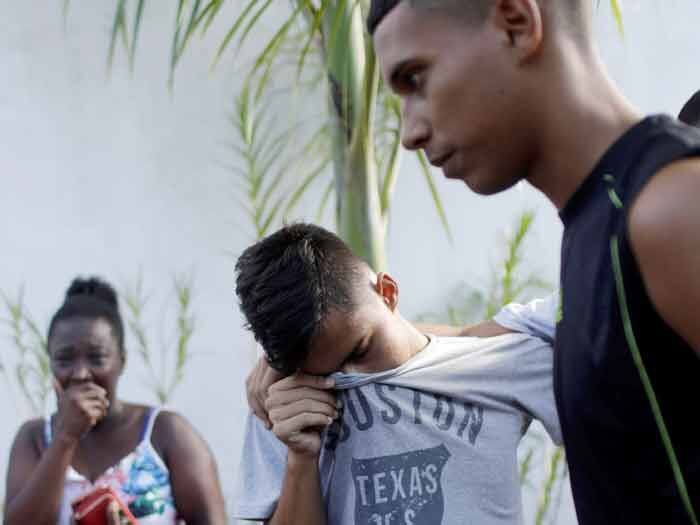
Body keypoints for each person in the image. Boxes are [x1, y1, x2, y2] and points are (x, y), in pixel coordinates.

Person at [366, 2, 700, 524]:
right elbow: (466, 338)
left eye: (416, 79)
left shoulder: (668, 206)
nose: (409, 132)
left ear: (516, 24)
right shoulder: (597, 222)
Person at [232, 223, 560, 524]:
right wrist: (300, 459)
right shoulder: (284, 401)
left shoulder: (499, 363)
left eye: (360, 351)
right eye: (327, 374)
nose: (354, 378)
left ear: (387, 292)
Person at [4, 277, 227, 525]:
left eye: (96, 358)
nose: (81, 374)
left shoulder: (166, 432)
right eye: (65, 359)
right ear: (50, 363)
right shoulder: (34, 438)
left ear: (122, 361)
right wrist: (65, 437)